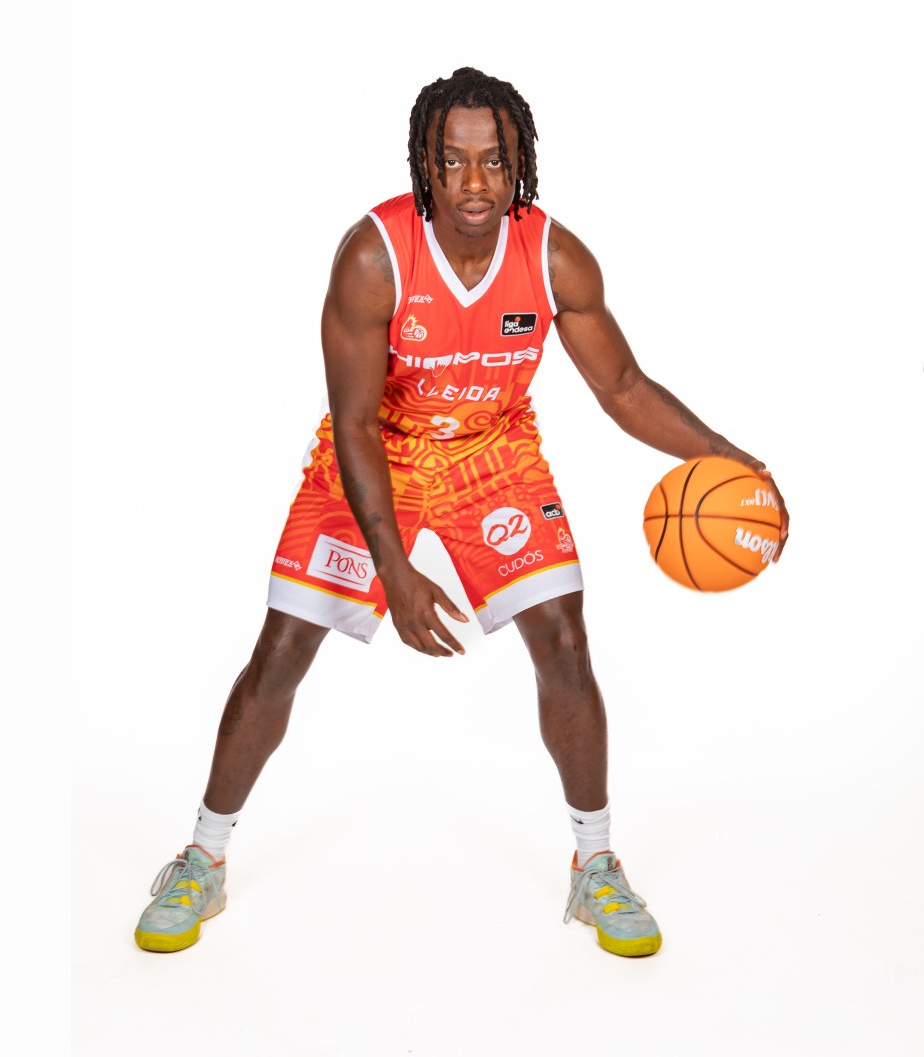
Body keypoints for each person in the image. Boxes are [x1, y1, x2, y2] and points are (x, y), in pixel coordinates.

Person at [134, 67, 788, 958]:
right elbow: (354, 423)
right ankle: (202, 857)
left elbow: (624, 387)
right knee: (282, 651)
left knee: (564, 640)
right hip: (380, 450)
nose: (474, 181)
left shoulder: (555, 257)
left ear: (519, 163)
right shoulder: (373, 257)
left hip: (494, 453)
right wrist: (394, 567)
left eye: (494, 160)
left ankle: (596, 865)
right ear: (426, 166)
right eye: (453, 160)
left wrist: (729, 457)